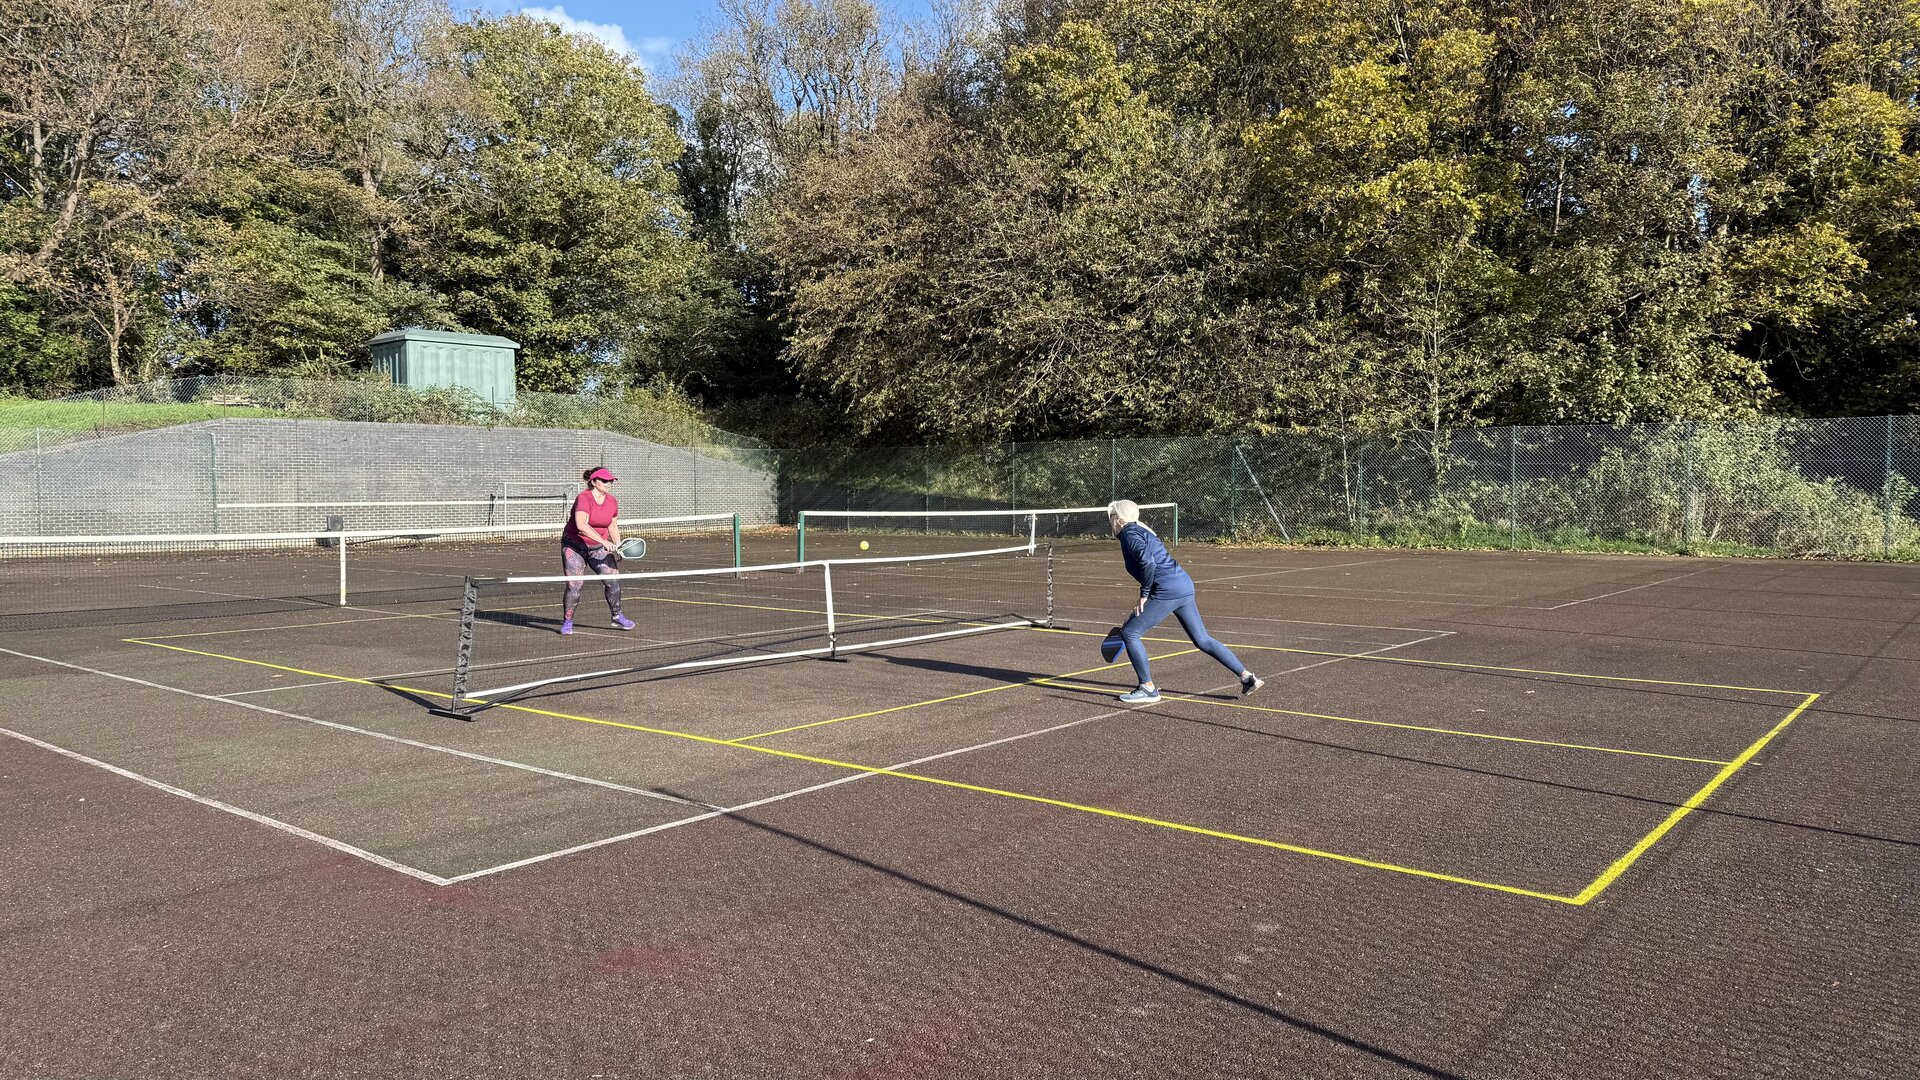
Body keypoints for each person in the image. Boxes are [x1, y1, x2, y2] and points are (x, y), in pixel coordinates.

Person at [1108, 499, 1261, 704]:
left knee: (1130, 633)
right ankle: (1247, 677)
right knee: (1202, 640)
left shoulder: (1129, 534)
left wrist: (1144, 593)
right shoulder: (1142, 531)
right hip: (1183, 586)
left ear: (1117, 519)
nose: (1109, 522)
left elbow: (1147, 562)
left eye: (1110, 517)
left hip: (1167, 590)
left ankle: (1148, 689)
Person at [559, 466, 634, 635]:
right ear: (594, 482)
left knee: (613, 580)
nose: (608, 483)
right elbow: (581, 525)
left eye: (610, 481)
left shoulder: (612, 501)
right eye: (604, 481)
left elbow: (612, 525)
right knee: (574, 586)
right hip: (574, 546)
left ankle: (616, 616)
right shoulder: (584, 498)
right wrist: (603, 541)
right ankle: (567, 621)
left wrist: (618, 545)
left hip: (598, 548)